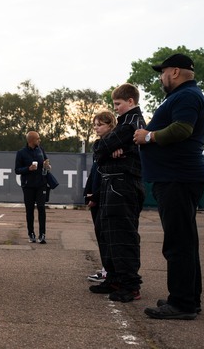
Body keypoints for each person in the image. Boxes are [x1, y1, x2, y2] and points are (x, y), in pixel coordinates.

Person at [134, 53, 204, 320]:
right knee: (185, 242)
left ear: (174, 72)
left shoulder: (186, 96)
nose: (161, 77)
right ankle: (187, 298)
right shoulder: (185, 95)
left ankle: (182, 304)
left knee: (178, 244)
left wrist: (148, 136)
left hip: (178, 178)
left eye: (162, 72)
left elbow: (182, 129)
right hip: (178, 177)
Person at [88, 83, 145, 303]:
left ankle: (130, 285)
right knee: (107, 234)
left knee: (122, 236)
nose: (116, 108)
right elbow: (99, 150)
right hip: (111, 186)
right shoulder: (125, 125)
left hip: (123, 187)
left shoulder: (132, 123)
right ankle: (114, 278)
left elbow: (102, 148)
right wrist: (106, 148)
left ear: (130, 101)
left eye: (118, 104)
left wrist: (106, 148)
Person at [84, 111, 117, 282]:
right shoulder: (100, 146)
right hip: (96, 194)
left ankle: (109, 271)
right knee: (100, 232)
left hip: (105, 196)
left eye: (100, 124)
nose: (96, 128)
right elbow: (94, 173)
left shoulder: (112, 146)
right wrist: (89, 193)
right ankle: (106, 269)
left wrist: (96, 195)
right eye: (95, 125)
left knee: (106, 234)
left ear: (111, 125)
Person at [14, 131, 51, 244]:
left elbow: (46, 163)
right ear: (31, 140)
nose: (39, 140)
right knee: (29, 210)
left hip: (41, 184)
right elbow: (17, 170)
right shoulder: (21, 153)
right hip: (28, 185)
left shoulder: (41, 150)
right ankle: (31, 233)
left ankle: (42, 234)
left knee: (41, 207)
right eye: (37, 139)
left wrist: (47, 166)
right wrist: (28, 169)